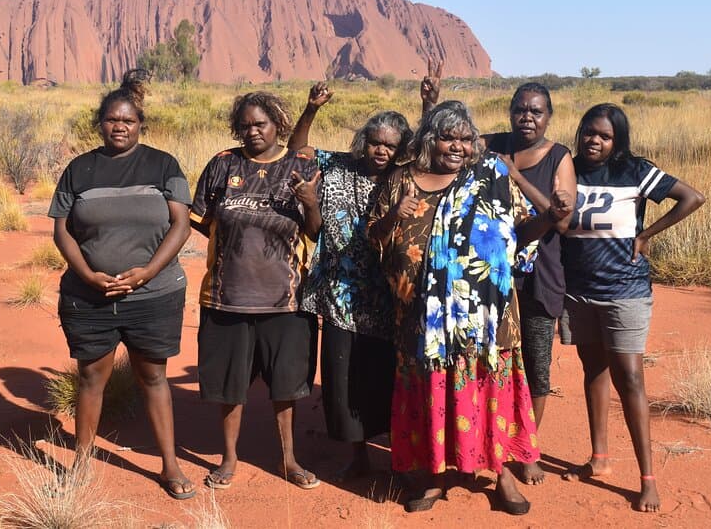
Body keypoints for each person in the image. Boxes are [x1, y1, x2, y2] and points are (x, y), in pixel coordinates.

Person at [368, 100, 572, 515]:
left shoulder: (490, 177)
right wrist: (395, 213)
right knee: (432, 390)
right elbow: (373, 236)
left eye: (464, 138)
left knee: (488, 386)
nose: (456, 146)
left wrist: (548, 218)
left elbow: (521, 230)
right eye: (447, 137)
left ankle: (502, 473)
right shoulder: (402, 179)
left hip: (485, 317)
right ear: (429, 139)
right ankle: (436, 475)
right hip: (422, 320)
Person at [48, 69, 195, 500]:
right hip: (90, 295)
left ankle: (169, 465)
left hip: (154, 292)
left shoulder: (163, 164)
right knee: (92, 377)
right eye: (112, 120)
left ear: (140, 123)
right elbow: (62, 231)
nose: (120, 126)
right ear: (100, 123)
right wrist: (86, 274)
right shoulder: (79, 169)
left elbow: (181, 225)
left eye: (128, 121)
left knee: (153, 376)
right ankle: (80, 461)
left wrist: (148, 271)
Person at [557, 103, 704, 512]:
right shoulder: (567, 167)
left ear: (617, 140)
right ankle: (599, 459)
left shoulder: (635, 171)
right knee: (594, 370)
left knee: (632, 379)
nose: (594, 141)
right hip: (578, 289)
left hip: (625, 290)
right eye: (588, 132)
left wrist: (646, 235)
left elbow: (692, 197)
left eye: (603, 136)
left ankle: (647, 479)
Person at [190, 91, 322, 491]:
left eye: (260, 124)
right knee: (231, 386)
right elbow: (202, 219)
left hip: (286, 298)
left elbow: (316, 232)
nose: (252, 132)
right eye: (245, 125)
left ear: (278, 125)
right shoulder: (222, 164)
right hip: (226, 296)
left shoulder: (301, 166)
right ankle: (228, 459)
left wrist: (311, 203)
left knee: (286, 387)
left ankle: (289, 459)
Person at [287, 82, 413, 479]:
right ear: (363, 141)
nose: (381, 151)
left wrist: (430, 102)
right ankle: (357, 454)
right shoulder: (337, 165)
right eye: (375, 142)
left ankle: (396, 453)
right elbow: (297, 151)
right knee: (344, 377)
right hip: (339, 292)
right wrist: (310, 110)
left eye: (390, 146)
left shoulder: (403, 179)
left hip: (387, 293)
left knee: (385, 375)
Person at [482, 82, 575, 485]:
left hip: (539, 278)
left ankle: (527, 448)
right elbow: (439, 142)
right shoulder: (491, 144)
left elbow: (564, 219)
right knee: (493, 362)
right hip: (492, 275)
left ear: (548, 116)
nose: (527, 118)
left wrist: (516, 176)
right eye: (521, 110)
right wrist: (430, 104)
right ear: (510, 112)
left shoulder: (559, 156)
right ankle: (490, 441)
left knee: (536, 365)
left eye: (536, 112)